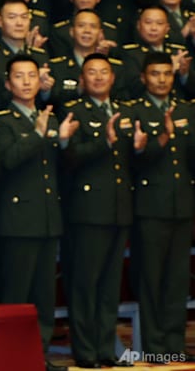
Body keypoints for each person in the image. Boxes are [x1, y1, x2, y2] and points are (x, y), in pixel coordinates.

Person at [0, 54, 76, 371]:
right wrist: (38, 135)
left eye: (32, 76)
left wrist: (63, 144)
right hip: (18, 221)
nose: (27, 82)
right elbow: (6, 162)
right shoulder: (3, 120)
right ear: (7, 83)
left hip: (48, 218)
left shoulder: (50, 118)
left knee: (44, 296)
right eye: (19, 76)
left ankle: (37, 357)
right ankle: (13, 359)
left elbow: (62, 171)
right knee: (17, 295)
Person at [60, 54, 135, 369]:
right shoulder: (74, 111)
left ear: (113, 78)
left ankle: (106, 348)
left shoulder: (125, 111)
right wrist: (103, 143)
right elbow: (70, 158)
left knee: (109, 286)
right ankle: (86, 350)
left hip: (119, 209)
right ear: (82, 79)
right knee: (85, 284)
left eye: (104, 72)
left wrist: (145, 147)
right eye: (92, 72)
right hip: (88, 211)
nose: (99, 77)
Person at [130, 52, 195, 363]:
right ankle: (154, 346)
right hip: (150, 207)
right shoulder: (135, 111)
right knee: (151, 279)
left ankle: (174, 344)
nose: (162, 79)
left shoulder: (186, 109)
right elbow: (132, 162)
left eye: (167, 73)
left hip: (182, 205)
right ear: (144, 77)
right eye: (155, 73)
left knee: (177, 280)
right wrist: (160, 140)